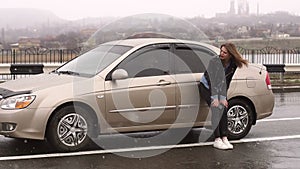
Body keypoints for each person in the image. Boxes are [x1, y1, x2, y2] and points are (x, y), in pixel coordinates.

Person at [200, 42, 248, 150]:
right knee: (216, 108)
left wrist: (223, 97)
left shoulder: (233, 64)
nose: (221, 54)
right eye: (221, 51)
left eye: (224, 52)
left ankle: (224, 137)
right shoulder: (214, 61)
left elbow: (226, 81)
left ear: (230, 54)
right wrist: (215, 98)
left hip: (219, 87)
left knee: (224, 107)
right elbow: (212, 80)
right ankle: (217, 139)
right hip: (207, 86)